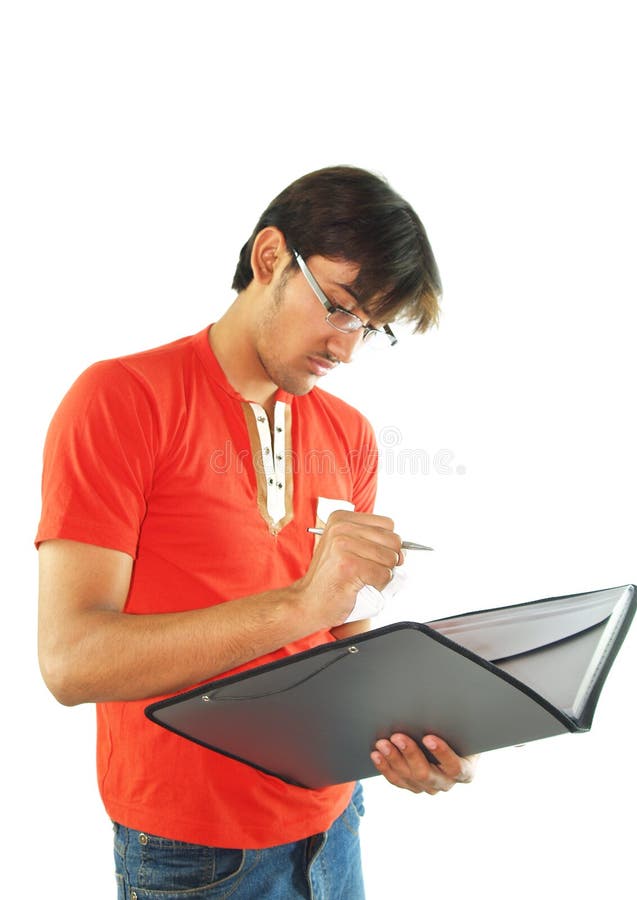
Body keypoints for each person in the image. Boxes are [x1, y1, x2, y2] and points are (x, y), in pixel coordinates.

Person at [37, 165, 476, 899]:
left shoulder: (350, 434)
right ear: (270, 257)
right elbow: (70, 663)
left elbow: (343, 649)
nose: (346, 350)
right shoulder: (120, 400)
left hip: (335, 818)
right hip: (192, 852)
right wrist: (298, 606)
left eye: (370, 329)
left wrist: (422, 735)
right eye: (339, 307)